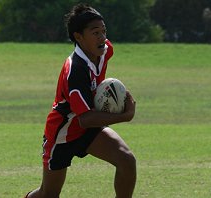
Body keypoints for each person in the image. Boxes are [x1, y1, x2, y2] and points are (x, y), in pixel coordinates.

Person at [25, 3, 136, 198]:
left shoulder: (105, 51)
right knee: (48, 194)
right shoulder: (75, 71)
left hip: (87, 128)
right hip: (62, 134)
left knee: (126, 160)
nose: (102, 37)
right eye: (95, 33)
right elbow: (85, 118)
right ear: (78, 37)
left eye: (104, 31)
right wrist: (124, 115)